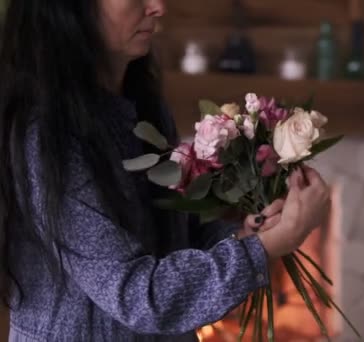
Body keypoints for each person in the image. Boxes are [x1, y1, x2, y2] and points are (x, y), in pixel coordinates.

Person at [0, 1, 331, 341]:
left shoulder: (143, 107)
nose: (158, 7)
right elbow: (140, 298)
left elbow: (176, 237)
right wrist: (269, 246)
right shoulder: (43, 135)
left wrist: (246, 233)